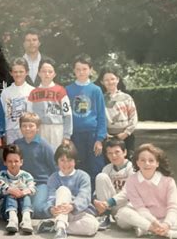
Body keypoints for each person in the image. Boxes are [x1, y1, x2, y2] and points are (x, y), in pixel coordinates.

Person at [115, 144, 177, 239]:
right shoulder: (132, 180)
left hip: (164, 218)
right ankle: (151, 229)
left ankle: (166, 233)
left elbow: (173, 207)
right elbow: (140, 208)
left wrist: (166, 224)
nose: (146, 163)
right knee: (123, 213)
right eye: (142, 160)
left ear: (157, 163)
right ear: (137, 163)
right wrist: (153, 224)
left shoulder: (169, 181)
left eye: (151, 160)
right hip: (142, 218)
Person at [38, 141, 99, 239]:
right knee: (63, 190)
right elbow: (51, 197)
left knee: (92, 226)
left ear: (75, 161)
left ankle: (54, 227)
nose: (66, 164)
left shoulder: (83, 176)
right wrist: (51, 209)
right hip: (60, 211)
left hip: (78, 212)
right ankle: (61, 228)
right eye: (62, 160)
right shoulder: (53, 178)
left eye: (69, 160)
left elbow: (84, 196)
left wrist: (72, 206)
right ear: (57, 162)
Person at [66, 54, 107, 191]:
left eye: (84, 69)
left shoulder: (96, 90)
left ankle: (97, 196)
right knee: (79, 166)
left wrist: (100, 139)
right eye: (78, 69)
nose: (81, 72)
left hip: (93, 135)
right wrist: (68, 137)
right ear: (74, 70)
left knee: (96, 166)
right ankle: (81, 195)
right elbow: (66, 115)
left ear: (90, 70)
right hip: (76, 135)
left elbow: (101, 115)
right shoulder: (68, 90)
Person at [14, 112, 56, 219]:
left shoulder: (43, 145)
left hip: (40, 183)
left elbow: (54, 167)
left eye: (31, 126)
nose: (27, 129)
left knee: (37, 210)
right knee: (19, 209)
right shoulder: (17, 144)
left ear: (37, 128)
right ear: (20, 128)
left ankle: (53, 208)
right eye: (24, 126)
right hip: (22, 183)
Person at [27, 58, 72, 150]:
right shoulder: (33, 92)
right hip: (39, 129)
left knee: (56, 155)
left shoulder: (60, 91)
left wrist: (66, 136)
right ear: (39, 73)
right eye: (43, 71)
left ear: (54, 74)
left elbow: (68, 115)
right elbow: (29, 115)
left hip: (57, 128)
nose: (46, 74)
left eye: (50, 71)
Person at [97, 67, 138, 159]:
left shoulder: (127, 98)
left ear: (118, 80)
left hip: (126, 136)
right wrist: (105, 134)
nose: (110, 82)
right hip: (108, 136)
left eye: (112, 79)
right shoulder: (100, 99)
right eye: (106, 80)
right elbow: (99, 117)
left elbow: (133, 117)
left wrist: (126, 133)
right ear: (102, 82)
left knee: (128, 162)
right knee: (110, 161)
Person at [93, 138, 134, 230]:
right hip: (110, 205)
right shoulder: (107, 168)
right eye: (110, 153)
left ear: (125, 152)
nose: (113, 156)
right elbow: (99, 188)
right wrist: (96, 201)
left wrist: (108, 202)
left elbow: (129, 192)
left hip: (127, 204)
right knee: (101, 177)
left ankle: (138, 224)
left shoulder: (131, 168)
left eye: (117, 152)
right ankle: (105, 216)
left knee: (124, 224)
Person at [0, 144, 35, 234]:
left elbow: (33, 188)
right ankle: (13, 220)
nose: (13, 164)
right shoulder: (2, 175)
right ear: (5, 162)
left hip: (23, 209)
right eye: (9, 161)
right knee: (11, 194)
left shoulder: (26, 175)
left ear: (21, 162)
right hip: (7, 210)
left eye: (16, 161)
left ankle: (26, 220)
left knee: (26, 197)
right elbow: (1, 188)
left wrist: (23, 192)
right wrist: (12, 190)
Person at [1, 58, 34, 144]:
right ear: (11, 73)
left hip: (28, 130)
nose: (18, 74)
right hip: (10, 131)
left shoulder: (32, 91)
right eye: (15, 72)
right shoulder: (6, 92)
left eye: (21, 71)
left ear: (27, 72)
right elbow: (2, 114)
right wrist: (2, 133)